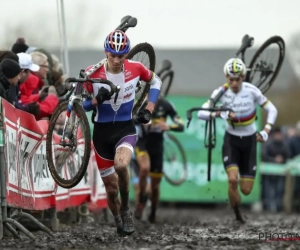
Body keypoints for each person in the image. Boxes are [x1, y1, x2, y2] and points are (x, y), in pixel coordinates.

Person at [81, 30, 162, 235]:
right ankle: (118, 218)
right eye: (112, 55)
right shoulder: (92, 73)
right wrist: (96, 101)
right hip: (101, 134)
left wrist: (150, 108)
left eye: (121, 55)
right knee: (111, 188)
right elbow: (80, 106)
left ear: (126, 54)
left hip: (125, 129)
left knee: (121, 165)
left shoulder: (136, 68)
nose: (117, 60)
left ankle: (126, 209)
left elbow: (156, 81)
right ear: (106, 53)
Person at [197, 58, 278, 223]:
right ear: (226, 77)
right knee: (232, 179)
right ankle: (236, 211)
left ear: (243, 77)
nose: (234, 83)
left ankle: (236, 202)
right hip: (231, 140)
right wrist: (219, 113)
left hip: (250, 141)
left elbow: (272, 109)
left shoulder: (252, 90)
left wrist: (267, 130)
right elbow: (201, 113)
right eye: (230, 79)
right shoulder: (220, 92)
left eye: (238, 79)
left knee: (246, 190)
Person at [133, 95, 184, 223]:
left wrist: (169, 126)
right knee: (144, 169)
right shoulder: (139, 104)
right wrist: (143, 121)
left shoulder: (166, 105)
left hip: (157, 147)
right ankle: (141, 201)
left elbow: (181, 125)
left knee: (155, 187)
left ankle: (153, 211)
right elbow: (129, 121)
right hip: (142, 144)